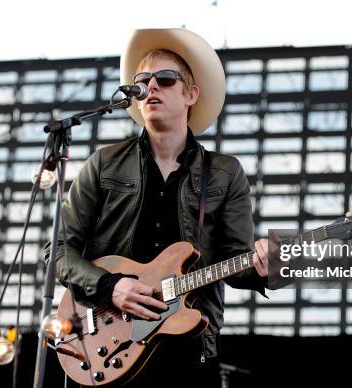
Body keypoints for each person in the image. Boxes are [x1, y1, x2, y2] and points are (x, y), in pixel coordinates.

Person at [48, 28, 271, 387]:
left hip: (188, 352)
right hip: (106, 346)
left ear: (191, 94)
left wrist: (269, 265)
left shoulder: (225, 172)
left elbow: (238, 262)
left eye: (166, 79)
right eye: (142, 80)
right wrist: (110, 287)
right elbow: (58, 251)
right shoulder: (104, 163)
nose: (152, 86)